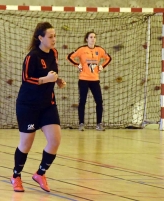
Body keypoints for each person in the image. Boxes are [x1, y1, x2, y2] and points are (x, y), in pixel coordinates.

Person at [11, 22, 66, 193]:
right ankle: (16, 175)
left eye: (55, 36)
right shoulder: (32, 56)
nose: (54, 39)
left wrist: (57, 80)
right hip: (28, 105)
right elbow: (27, 78)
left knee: (55, 140)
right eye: (50, 36)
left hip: (47, 104)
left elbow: (51, 73)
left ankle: (40, 173)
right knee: (26, 143)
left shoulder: (54, 53)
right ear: (40, 38)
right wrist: (46, 80)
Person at [67, 31, 111, 131]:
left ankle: (99, 124)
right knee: (82, 101)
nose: (93, 39)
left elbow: (108, 58)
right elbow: (70, 57)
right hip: (83, 79)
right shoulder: (82, 49)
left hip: (95, 80)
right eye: (91, 37)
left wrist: (102, 66)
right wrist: (77, 65)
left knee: (99, 101)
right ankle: (81, 123)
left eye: (94, 37)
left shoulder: (99, 50)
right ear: (86, 39)